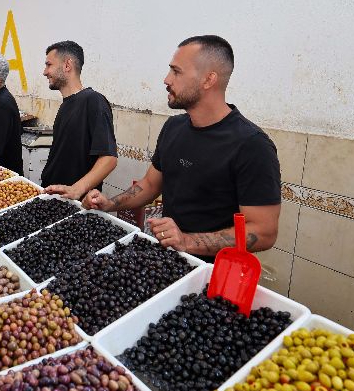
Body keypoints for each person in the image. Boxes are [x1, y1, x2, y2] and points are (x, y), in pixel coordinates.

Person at [84, 35, 281, 261]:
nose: (166, 79)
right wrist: (109, 203)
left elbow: (263, 232)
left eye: (176, 72)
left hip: (211, 272)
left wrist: (187, 241)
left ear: (208, 80)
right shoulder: (173, 127)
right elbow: (150, 185)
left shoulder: (252, 145)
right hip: (170, 261)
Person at [40, 41, 118, 200]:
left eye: (49, 65)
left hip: (76, 203)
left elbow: (109, 158)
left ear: (67, 65)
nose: (45, 72)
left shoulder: (93, 101)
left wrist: (76, 189)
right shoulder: (65, 105)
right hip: (55, 197)